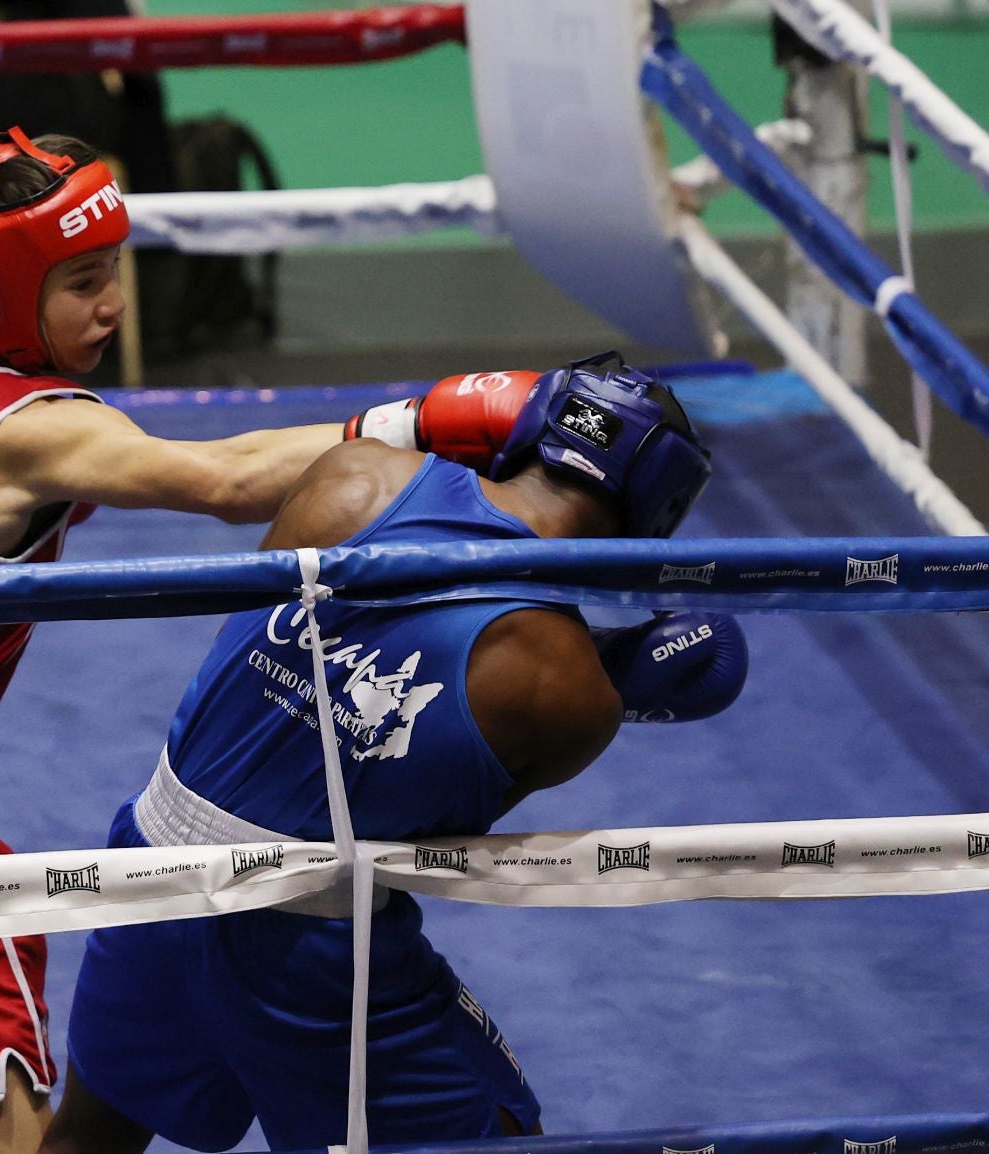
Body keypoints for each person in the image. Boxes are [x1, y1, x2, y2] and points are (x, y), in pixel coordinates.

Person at [0, 126, 540, 1154]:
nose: (115, 303)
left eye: (116, 270)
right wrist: (432, 418)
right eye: (84, 280)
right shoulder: (29, 426)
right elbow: (229, 481)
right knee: (3, 1109)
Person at [42, 353, 750, 1151]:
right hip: (301, 944)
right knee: (498, 1128)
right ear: (659, 509)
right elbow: (422, 821)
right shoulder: (568, 694)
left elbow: (239, 642)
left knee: (89, 1138)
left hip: (148, 863)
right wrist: (619, 676)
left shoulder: (354, 473)